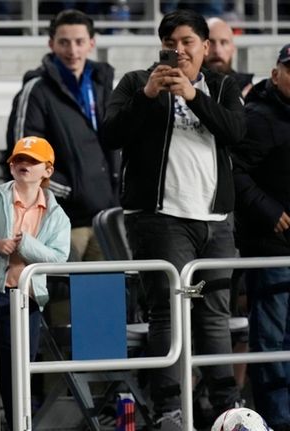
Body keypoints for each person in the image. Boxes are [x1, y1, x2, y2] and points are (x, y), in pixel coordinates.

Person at [102, 9, 245, 429]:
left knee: (214, 317)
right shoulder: (135, 83)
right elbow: (110, 135)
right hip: (161, 220)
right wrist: (148, 96)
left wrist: (194, 97)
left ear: (204, 46)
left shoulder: (221, 87)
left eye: (186, 41)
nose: (178, 49)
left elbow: (237, 132)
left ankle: (227, 411)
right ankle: (169, 409)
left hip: (216, 221)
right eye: (170, 41)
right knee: (169, 312)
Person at [6, 9, 119, 262]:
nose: (72, 50)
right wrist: (72, 191)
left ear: (92, 43)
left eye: (79, 42)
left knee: (106, 295)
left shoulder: (103, 85)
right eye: (64, 42)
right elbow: (23, 154)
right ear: (51, 44)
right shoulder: (36, 90)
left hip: (106, 216)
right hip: (62, 217)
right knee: (65, 296)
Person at [0, 136, 70, 430]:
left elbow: (59, 259)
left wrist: (26, 245)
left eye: (32, 161)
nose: (24, 164)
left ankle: (17, 425)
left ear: (47, 170)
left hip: (27, 300)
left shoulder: (58, 215)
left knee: (19, 372)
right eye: (18, 159)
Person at [231, 44, 290, 431]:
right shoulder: (258, 117)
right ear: (275, 74)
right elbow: (232, 172)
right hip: (268, 251)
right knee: (271, 342)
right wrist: (269, 211)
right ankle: (278, 422)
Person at [206, 17, 253, 97]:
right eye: (211, 42)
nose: (217, 50)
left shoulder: (246, 87)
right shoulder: (187, 85)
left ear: (233, 48)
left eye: (224, 42)